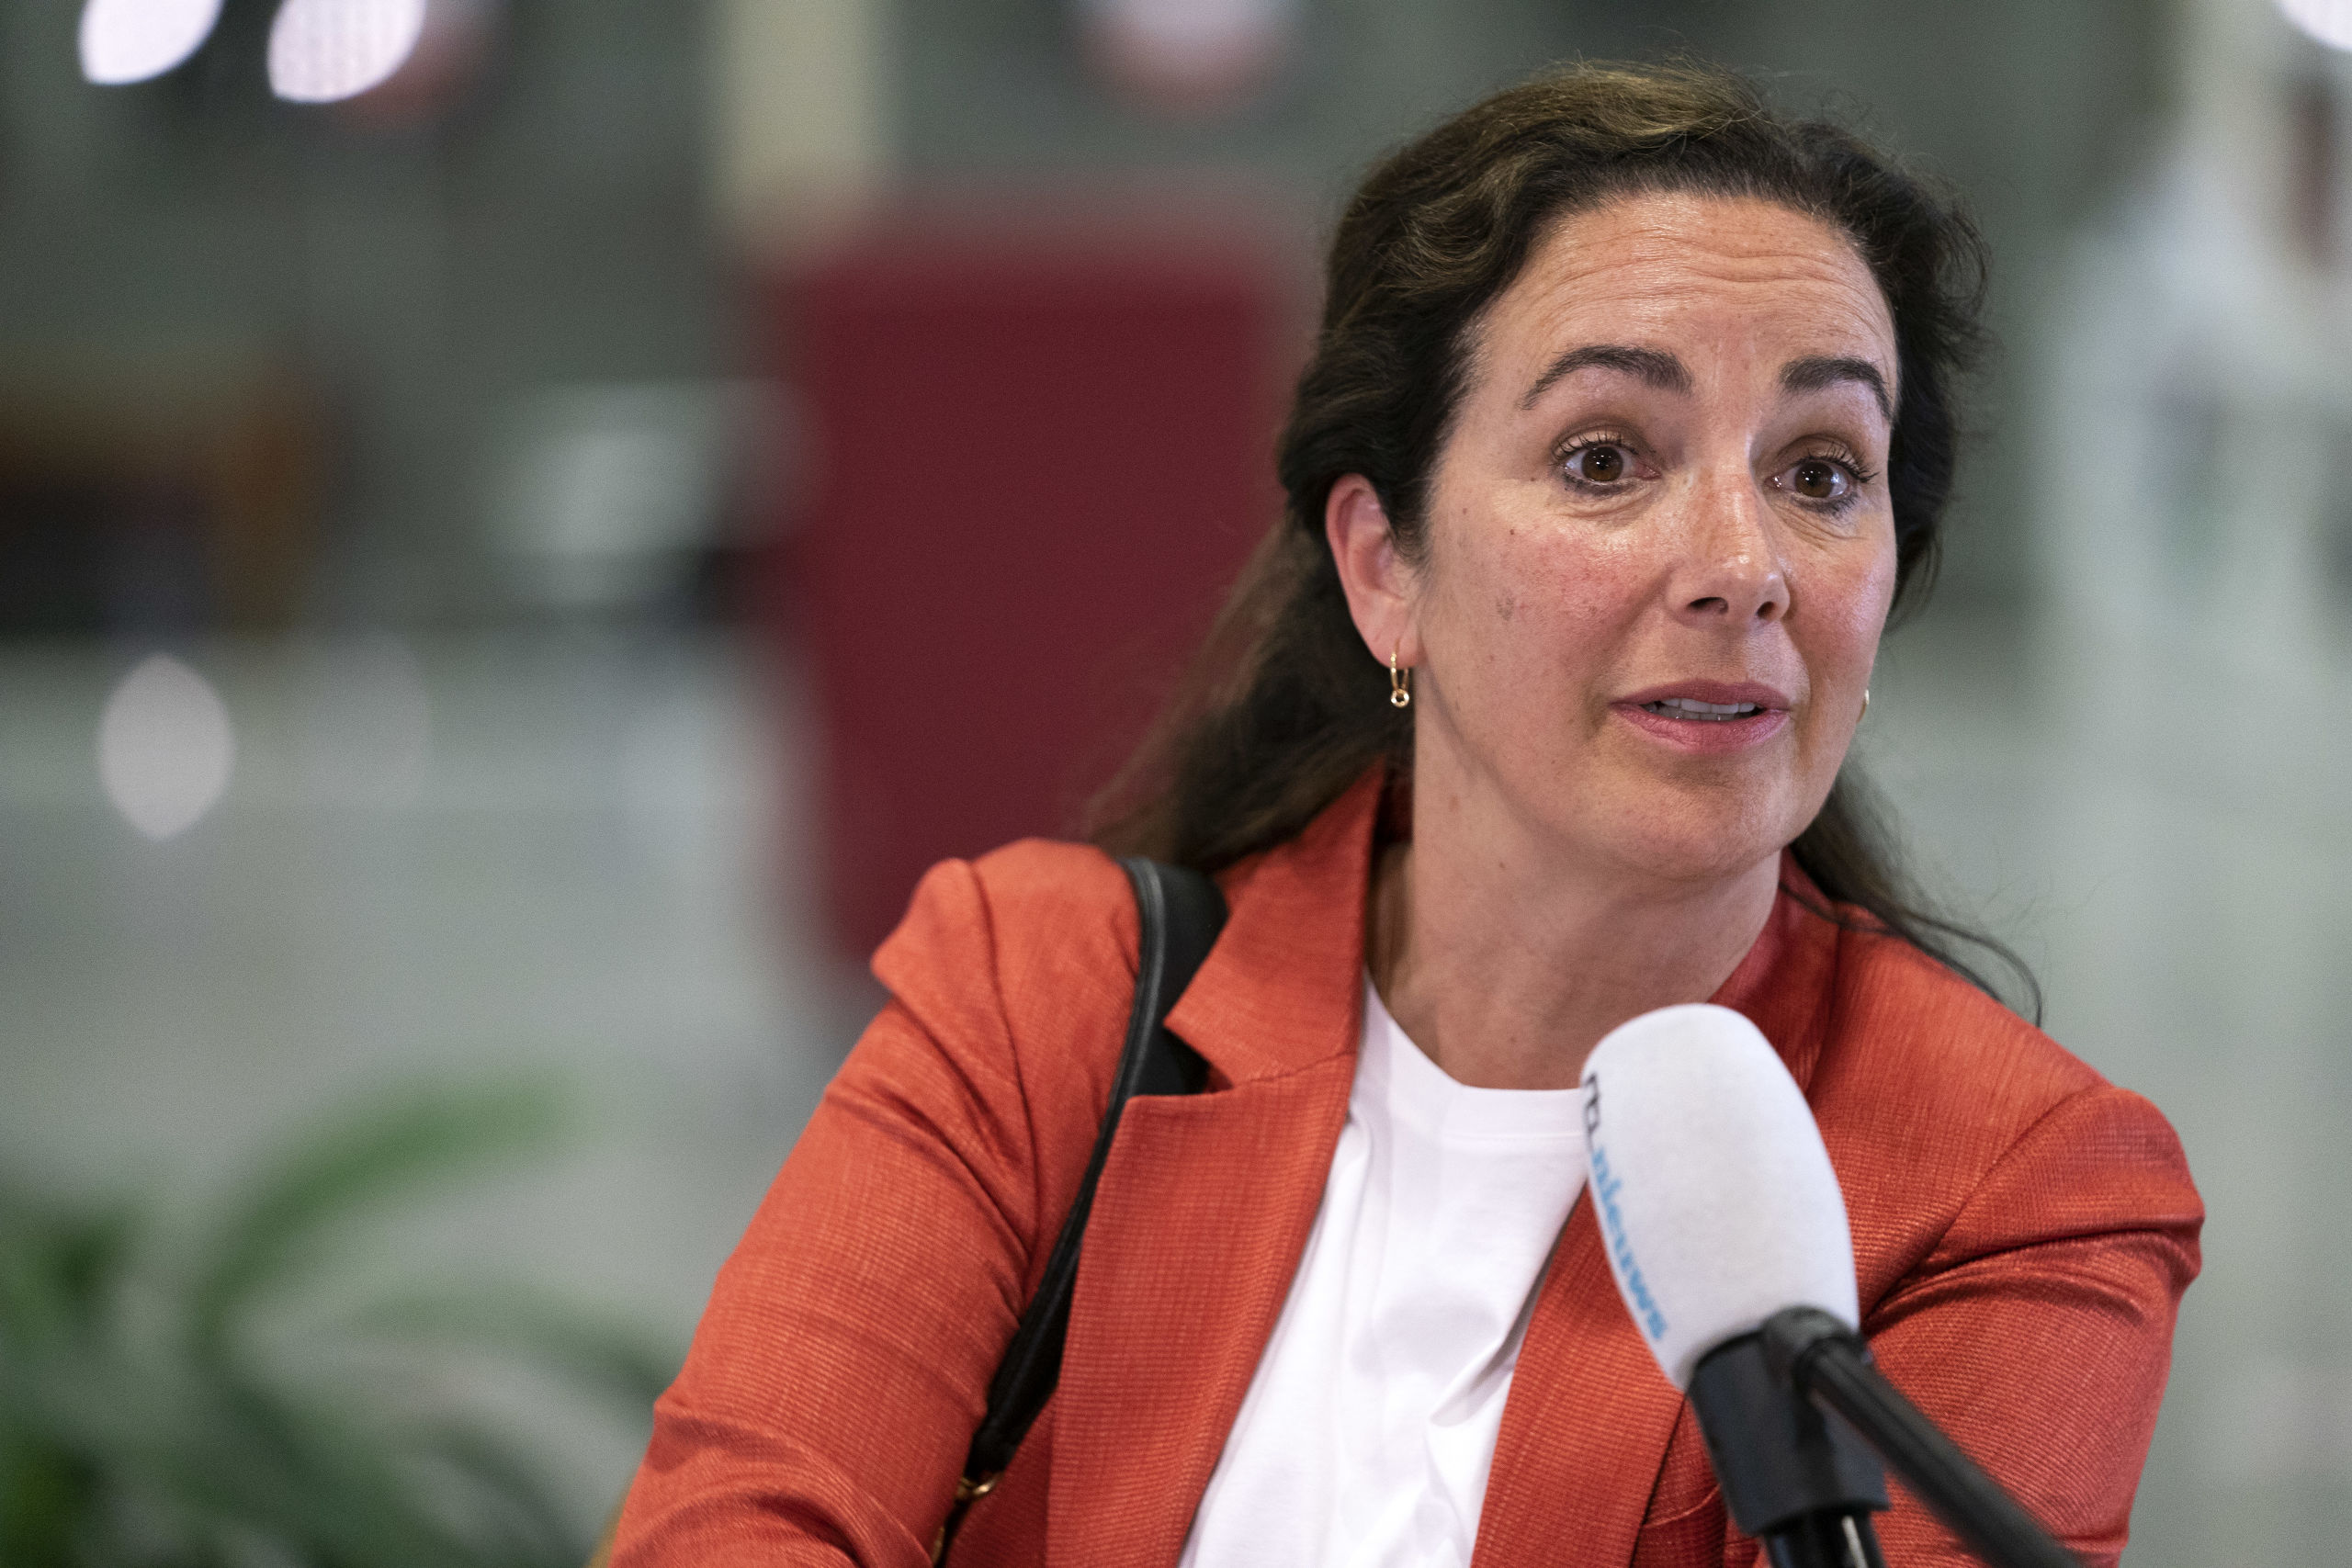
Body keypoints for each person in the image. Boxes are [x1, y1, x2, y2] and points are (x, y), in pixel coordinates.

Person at [607, 62, 2201, 1568]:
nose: (1743, 564)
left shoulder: (2014, 1189)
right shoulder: (1038, 1001)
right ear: (1385, 568)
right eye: (1604, 457)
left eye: (1823, 472)